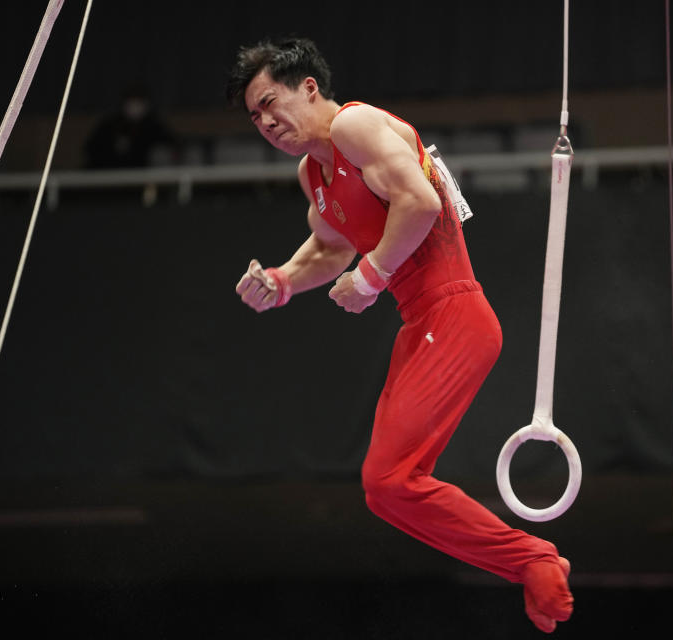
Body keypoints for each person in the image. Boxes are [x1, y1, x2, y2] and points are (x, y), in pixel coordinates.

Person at [228, 37, 573, 633]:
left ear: (309, 87)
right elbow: (329, 247)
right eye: (254, 116)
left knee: (387, 480)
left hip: (455, 312)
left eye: (270, 102)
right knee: (384, 489)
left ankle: (534, 558)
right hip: (422, 324)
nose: (266, 122)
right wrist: (281, 280)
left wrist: (371, 276)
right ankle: (529, 560)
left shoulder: (356, 126)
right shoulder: (315, 173)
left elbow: (418, 200)